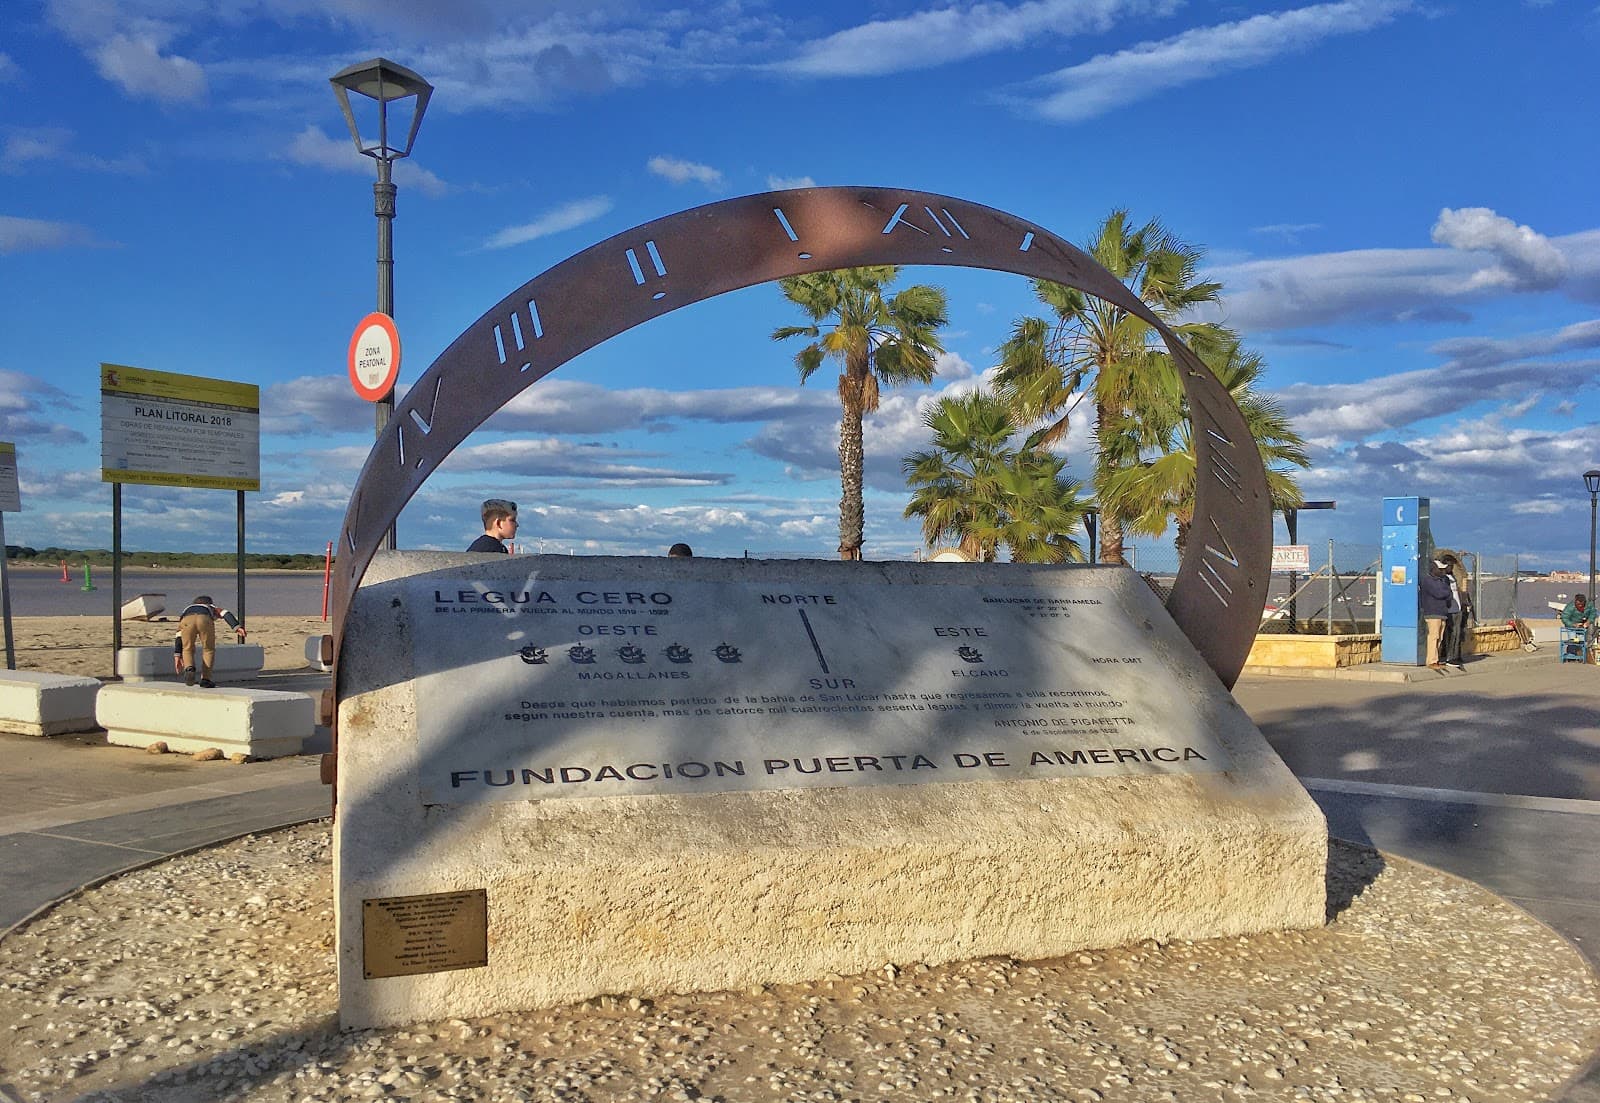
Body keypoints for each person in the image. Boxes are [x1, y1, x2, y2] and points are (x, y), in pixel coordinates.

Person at [171, 595, 245, 688]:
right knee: (208, 649)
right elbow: (225, 613)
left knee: (187, 649)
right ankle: (205, 680)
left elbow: (179, 634)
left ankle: (189, 668)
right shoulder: (210, 606)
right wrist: (236, 626)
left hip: (187, 620)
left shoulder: (186, 609)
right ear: (209, 603)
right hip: (204, 619)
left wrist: (177, 654)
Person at [1435, 549, 1473, 670]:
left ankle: (1456, 655)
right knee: (1450, 634)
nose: (1451, 567)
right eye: (1449, 565)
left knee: (1457, 633)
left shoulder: (1453, 577)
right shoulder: (1443, 578)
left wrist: (1464, 603)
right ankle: (1449, 656)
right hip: (1449, 610)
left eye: (1452, 565)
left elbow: (1460, 591)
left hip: (1457, 609)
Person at [1419, 561, 1454, 671]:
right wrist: (1447, 592)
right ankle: (1431, 660)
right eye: (1440, 569)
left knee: (1440, 637)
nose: (1442, 571)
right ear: (1433, 569)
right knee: (1434, 637)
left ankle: (1436, 659)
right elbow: (1439, 593)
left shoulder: (1442, 580)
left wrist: (1447, 592)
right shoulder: (1427, 580)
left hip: (1442, 613)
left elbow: (1450, 594)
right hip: (1432, 612)